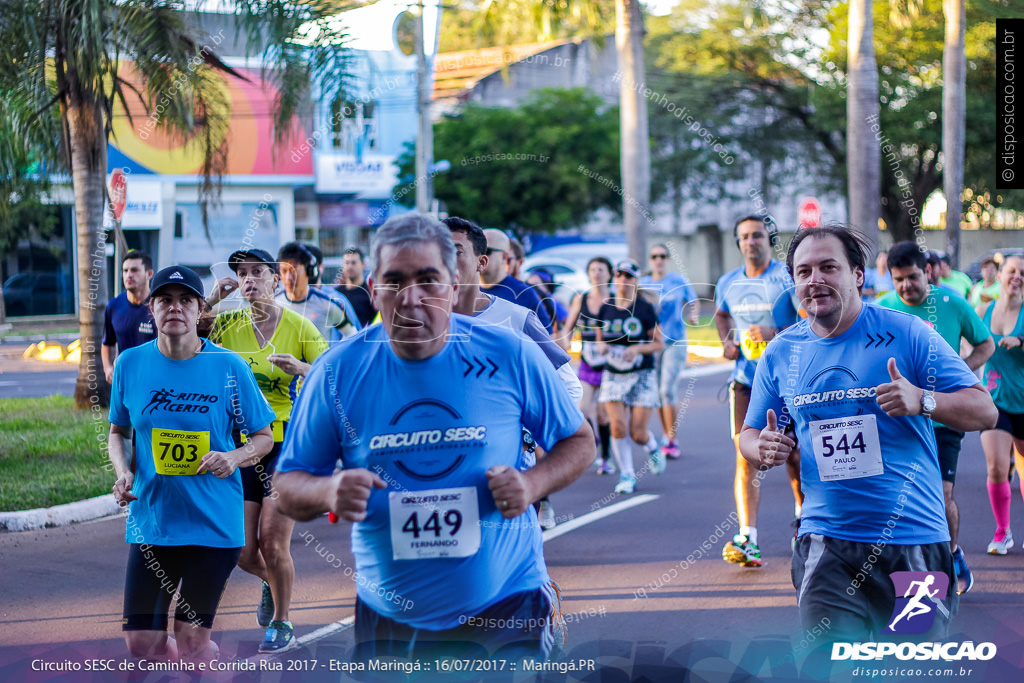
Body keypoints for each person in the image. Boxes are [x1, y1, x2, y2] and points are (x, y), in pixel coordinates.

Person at [273, 214, 594, 661]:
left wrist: (531, 485)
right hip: (389, 614)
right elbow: (288, 486)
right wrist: (328, 490)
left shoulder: (508, 352)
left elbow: (578, 439)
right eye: (394, 281)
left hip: (507, 601)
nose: (412, 297)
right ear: (372, 288)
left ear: (454, 284)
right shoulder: (338, 371)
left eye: (428, 279)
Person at [741, 225, 996, 646]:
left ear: (858, 274)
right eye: (803, 272)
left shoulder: (908, 333)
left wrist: (923, 400)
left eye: (828, 267)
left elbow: (984, 410)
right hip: (826, 542)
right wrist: (759, 447)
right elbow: (749, 434)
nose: (815, 280)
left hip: (914, 540)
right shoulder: (782, 352)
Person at [108, 266, 275, 663]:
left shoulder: (229, 367)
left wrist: (232, 457)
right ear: (152, 308)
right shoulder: (130, 364)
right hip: (153, 523)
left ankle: (203, 661)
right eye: (165, 299)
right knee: (142, 645)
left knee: (191, 643)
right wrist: (122, 471)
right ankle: (207, 662)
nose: (175, 308)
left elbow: (263, 437)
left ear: (200, 309)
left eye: (186, 300)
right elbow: (118, 431)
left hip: (213, 526)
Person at [208, 248, 328, 653]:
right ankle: (270, 582)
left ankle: (282, 619)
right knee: (242, 551)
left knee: (273, 542)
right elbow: (180, 336)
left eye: (257, 272)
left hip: (286, 444)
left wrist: (302, 369)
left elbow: (336, 378)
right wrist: (209, 301)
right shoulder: (226, 325)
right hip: (241, 447)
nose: (248, 280)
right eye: (241, 274)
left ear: (277, 279)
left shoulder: (299, 326)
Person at [444, 216, 582, 530]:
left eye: (455, 250)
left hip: (505, 470)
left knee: (512, 560)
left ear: (481, 261)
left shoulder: (515, 318)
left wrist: (527, 436)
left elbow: (568, 385)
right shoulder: (416, 323)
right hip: (441, 468)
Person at [877, 241, 994, 594]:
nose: (905, 286)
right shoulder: (883, 308)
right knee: (897, 495)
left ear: (927, 271)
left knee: (943, 493)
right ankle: (903, 568)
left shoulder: (952, 304)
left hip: (943, 415)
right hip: (900, 420)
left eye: (912, 277)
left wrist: (962, 374)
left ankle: (952, 553)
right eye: (898, 279)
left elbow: (985, 345)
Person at [715, 215, 803, 568]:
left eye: (757, 236)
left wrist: (774, 332)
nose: (751, 242)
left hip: (787, 381)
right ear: (738, 243)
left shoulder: (786, 276)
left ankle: (803, 523)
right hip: (746, 380)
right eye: (744, 237)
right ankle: (748, 538)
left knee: (795, 456)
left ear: (770, 239)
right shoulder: (727, 281)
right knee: (745, 455)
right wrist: (727, 340)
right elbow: (722, 315)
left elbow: (807, 318)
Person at [595, 259, 665, 495]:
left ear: (636, 281)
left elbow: (659, 344)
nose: (623, 280)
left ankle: (653, 447)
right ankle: (627, 474)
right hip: (613, 374)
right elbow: (599, 337)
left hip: (642, 373)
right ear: (614, 278)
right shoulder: (606, 308)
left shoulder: (645, 308)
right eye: (620, 275)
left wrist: (636, 349)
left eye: (628, 276)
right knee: (617, 427)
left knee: (637, 432)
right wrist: (602, 347)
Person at [977, 255, 1024, 556]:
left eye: (1022, 273)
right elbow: (968, 348)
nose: (1017, 276)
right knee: (996, 466)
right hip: (995, 402)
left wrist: (1021, 341)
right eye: (1012, 271)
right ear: (1002, 275)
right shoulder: (983, 310)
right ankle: (1002, 531)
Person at [640, 244, 700, 459]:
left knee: (667, 390)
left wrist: (693, 316)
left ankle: (671, 439)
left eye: (663, 256)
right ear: (650, 259)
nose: (659, 260)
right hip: (653, 342)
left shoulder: (678, 281)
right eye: (654, 256)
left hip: (675, 341)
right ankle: (666, 435)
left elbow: (693, 302)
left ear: (668, 259)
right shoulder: (643, 284)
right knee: (657, 392)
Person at [562, 257, 616, 474]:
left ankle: (606, 457)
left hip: (611, 363)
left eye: (601, 270)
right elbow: (569, 327)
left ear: (609, 274)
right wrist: (565, 342)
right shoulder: (581, 298)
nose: (596, 274)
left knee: (603, 412)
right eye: (592, 270)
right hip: (588, 360)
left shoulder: (616, 300)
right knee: (582, 409)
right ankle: (595, 443)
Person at [275, 242, 360, 342]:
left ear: (310, 271)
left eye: (294, 270)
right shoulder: (274, 303)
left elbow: (354, 335)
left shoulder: (330, 302)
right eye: (284, 271)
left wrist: (334, 355)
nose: (289, 277)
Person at [480, 229, 553, 332]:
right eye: (476, 250)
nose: (480, 256)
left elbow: (546, 340)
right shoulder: (463, 290)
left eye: (487, 251)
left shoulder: (524, 294)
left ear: (504, 257)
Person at [102, 250, 156, 384]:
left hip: (154, 380)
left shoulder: (160, 307)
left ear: (149, 274)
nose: (128, 275)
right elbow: (107, 343)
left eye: (134, 270)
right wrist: (108, 368)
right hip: (124, 381)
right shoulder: (113, 306)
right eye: (125, 271)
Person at [335, 246, 377, 327]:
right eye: (347, 263)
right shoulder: (336, 293)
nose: (350, 267)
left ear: (363, 265)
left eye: (353, 263)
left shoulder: (370, 293)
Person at [526, 269, 569, 341]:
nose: (532, 288)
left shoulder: (553, 303)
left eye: (536, 285)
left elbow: (567, 322)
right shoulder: (528, 302)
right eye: (529, 285)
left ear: (547, 286)